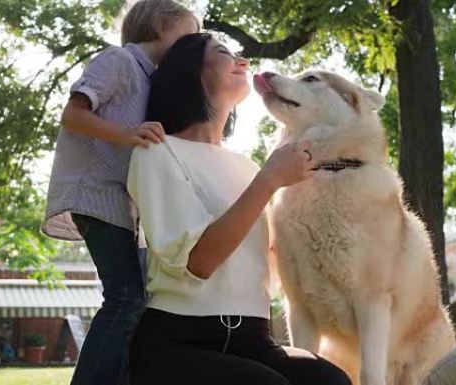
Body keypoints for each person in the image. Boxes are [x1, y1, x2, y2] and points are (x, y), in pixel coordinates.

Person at [127, 33, 351, 385]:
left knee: (331, 381)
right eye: (223, 53)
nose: (243, 62)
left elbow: (267, 267)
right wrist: (269, 181)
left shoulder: (247, 166)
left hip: (254, 338)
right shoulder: (157, 151)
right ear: (191, 72)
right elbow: (199, 262)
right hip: (180, 340)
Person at [42, 1, 199, 384]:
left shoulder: (153, 81)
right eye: (189, 34)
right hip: (94, 195)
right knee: (125, 297)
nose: (193, 45)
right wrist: (128, 135)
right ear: (161, 25)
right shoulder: (118, 61)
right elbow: (73, 115)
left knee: (141, 300)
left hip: (125, 206)